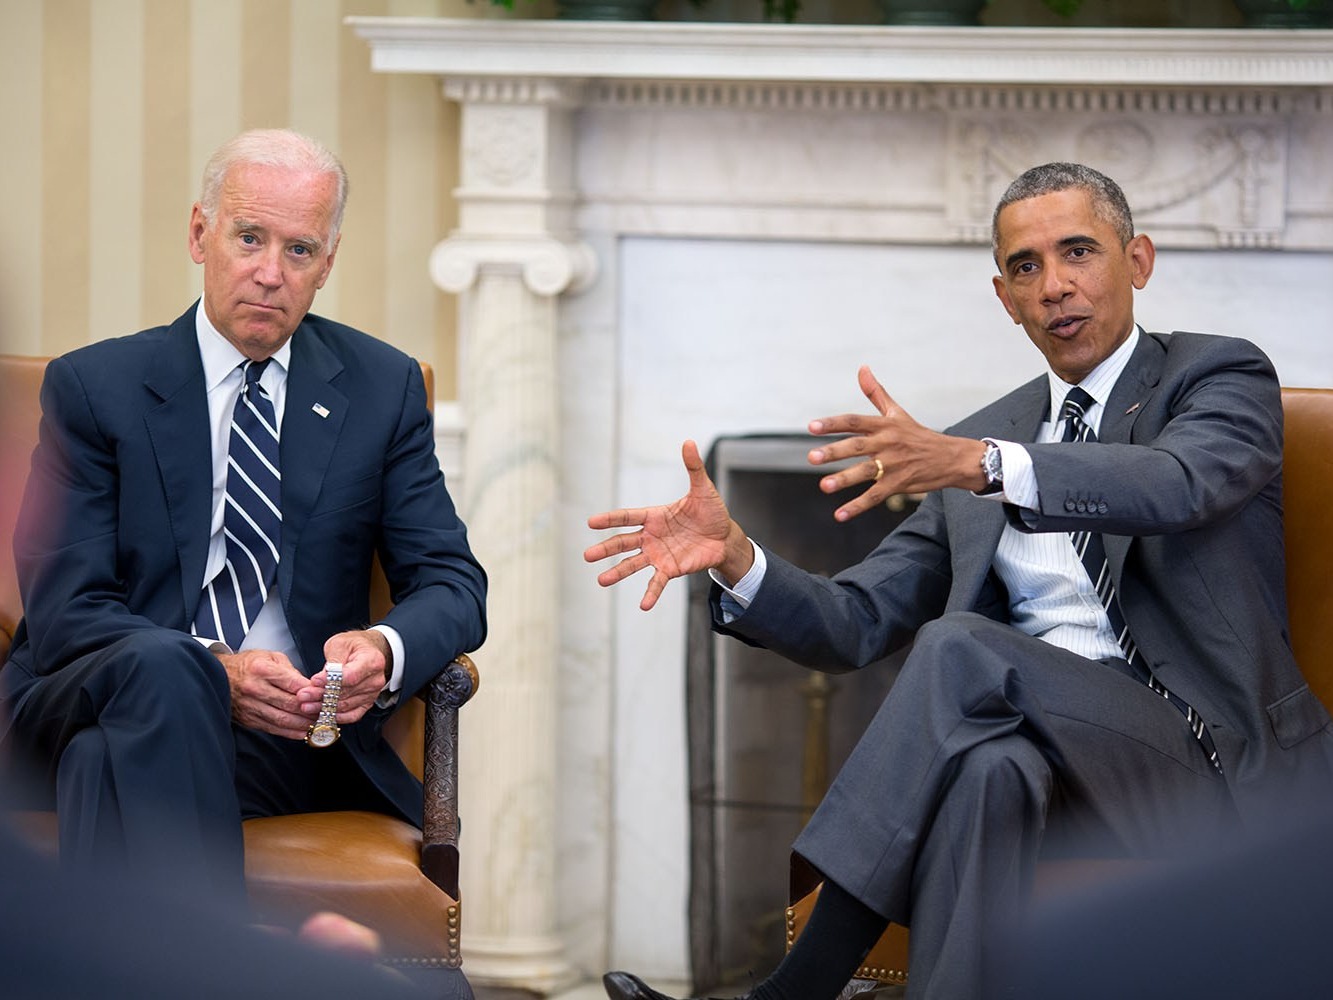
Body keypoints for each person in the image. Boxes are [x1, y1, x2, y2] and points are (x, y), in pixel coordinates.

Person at [583, 162, 1333, 999]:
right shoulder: (980, 441)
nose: (1054, 286)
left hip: (1210, 767)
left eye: (1077, 252)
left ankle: (791, 992)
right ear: (1003, 295)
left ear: (1138, 261)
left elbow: (1178, 484)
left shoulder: (1214, 378)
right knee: (988, 772)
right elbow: (854, 620)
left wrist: (982, 466)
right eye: (1025, 267)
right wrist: (737, 558)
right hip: (1052, 771)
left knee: (962, 647)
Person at [0, 128, 487, 907]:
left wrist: (382, 647)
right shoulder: (98, 388)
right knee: (165, 672)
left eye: (299, 251)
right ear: (201, 234)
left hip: (284, 735)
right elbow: (67, 610)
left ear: (328, 263)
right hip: (89, 690)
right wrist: (211, 672)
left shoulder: (379, 390)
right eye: (249, 238)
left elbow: (453, 583)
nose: (269, 274)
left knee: (101, 766)